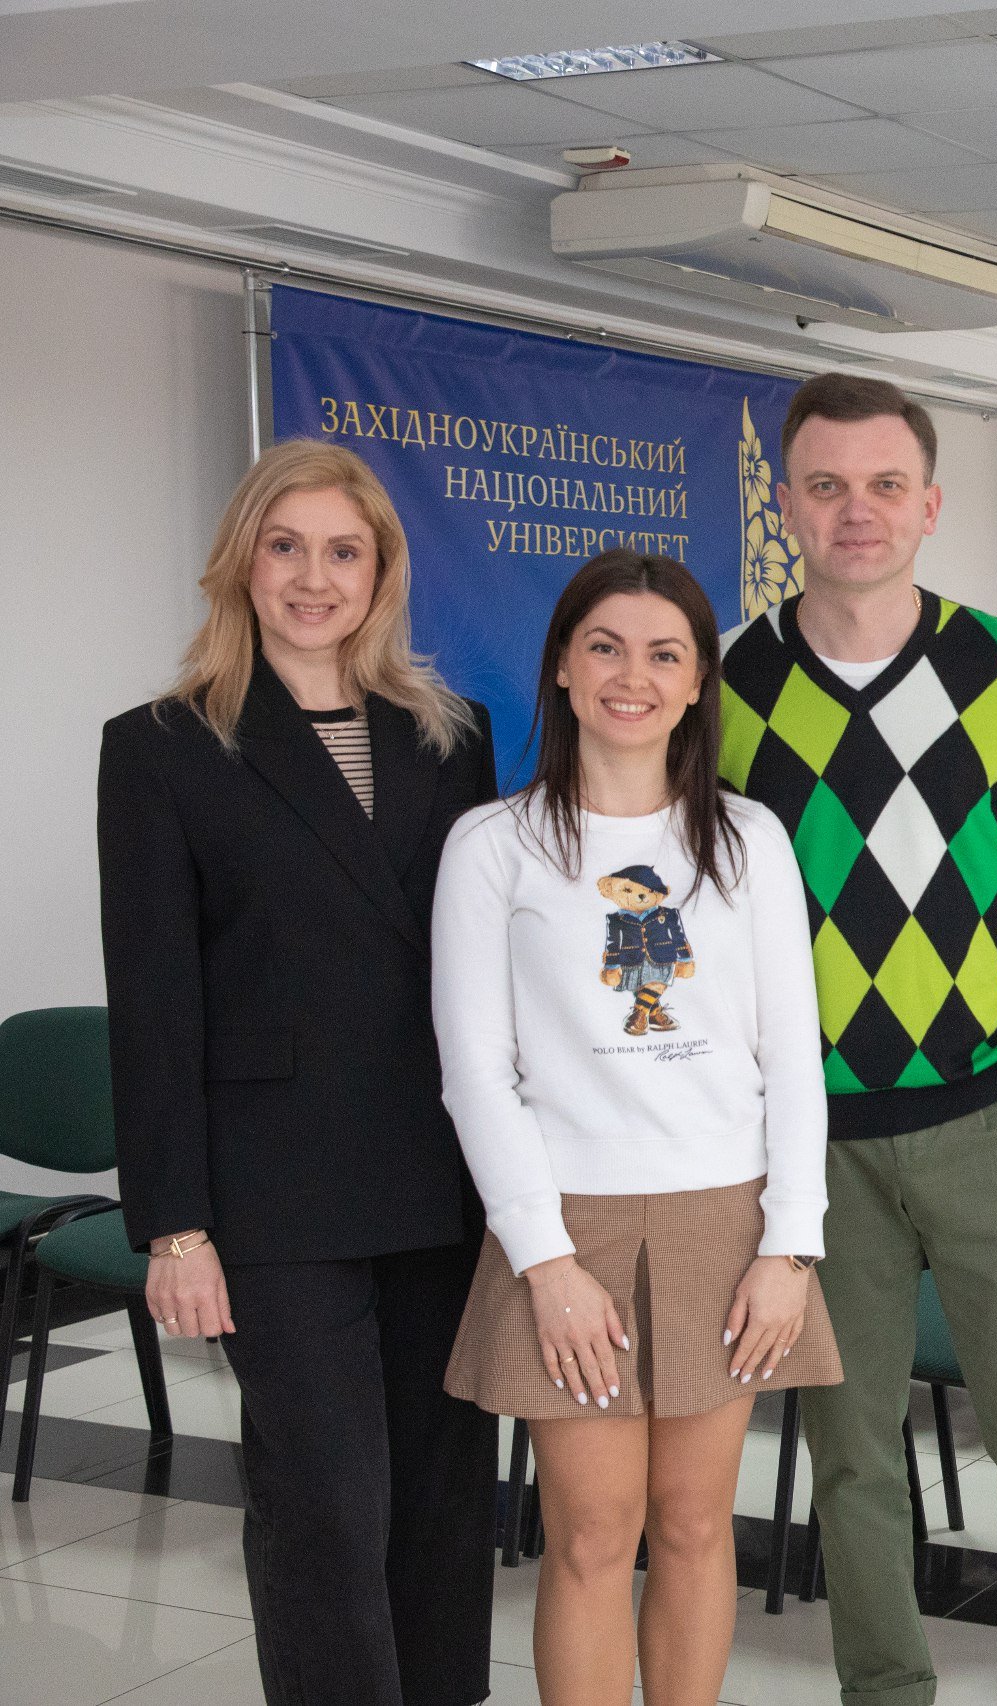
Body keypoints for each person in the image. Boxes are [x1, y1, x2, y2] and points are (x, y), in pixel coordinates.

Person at [719, 374, 997, 1706]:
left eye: (884, 485)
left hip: (995, 1119)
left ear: (930, 505)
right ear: (787, 505)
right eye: (827, 485)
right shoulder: (730, 681)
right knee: (851, 1459)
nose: (857, 510)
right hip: (814, 1143)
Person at [96, 440, 500, 1705]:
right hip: (272, 1193)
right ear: (242, 561)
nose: (313, 577)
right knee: (325, 1500)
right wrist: (174, 1224)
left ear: (381, 572)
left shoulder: (451, 736)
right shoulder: (161, 747)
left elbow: (486, 968)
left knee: (441, 1495)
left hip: (438, 1175)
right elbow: (153, 1006)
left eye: (342, 551)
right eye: (286, 546)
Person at [435, 552, 834, 1706]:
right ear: (562, 665)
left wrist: (789, 1246)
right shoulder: (494, 845)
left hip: (726, 1220)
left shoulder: (749, 839)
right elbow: (476, 1075)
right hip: (567, 1229)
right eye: (604, 646)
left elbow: (790, 1058)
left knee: (698, 1523)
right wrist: (543, 1259)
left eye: (665, 654)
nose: (632, 676)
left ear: (699, 679)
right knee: (592, 1533)